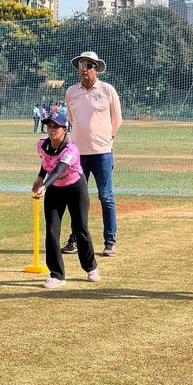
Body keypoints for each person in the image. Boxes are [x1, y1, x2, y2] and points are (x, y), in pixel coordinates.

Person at [63, 51, 122, 257]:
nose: (84, 69)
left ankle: (110, 241)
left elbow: (117, 119)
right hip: (77, 154)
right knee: (76, 198)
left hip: (102, 153)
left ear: (96, 69)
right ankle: (76, 239)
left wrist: (107, 138)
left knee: (105, 197)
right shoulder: (71, 92)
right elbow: (71, 118)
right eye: (81, 65)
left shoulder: (107, 90)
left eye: (89, 65)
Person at [32, 112, 99, 289]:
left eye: (56, 127)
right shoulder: (41, 144)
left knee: (80, 228)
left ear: (65, 129)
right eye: (49, 126)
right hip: (55, 190)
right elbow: (47, 162)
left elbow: (59, 169)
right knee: (52, 231)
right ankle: (57, 274)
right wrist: (40, 178)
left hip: (75, 188)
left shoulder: (71, 150)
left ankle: (90, 267)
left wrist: (44, 186)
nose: (52, 130)